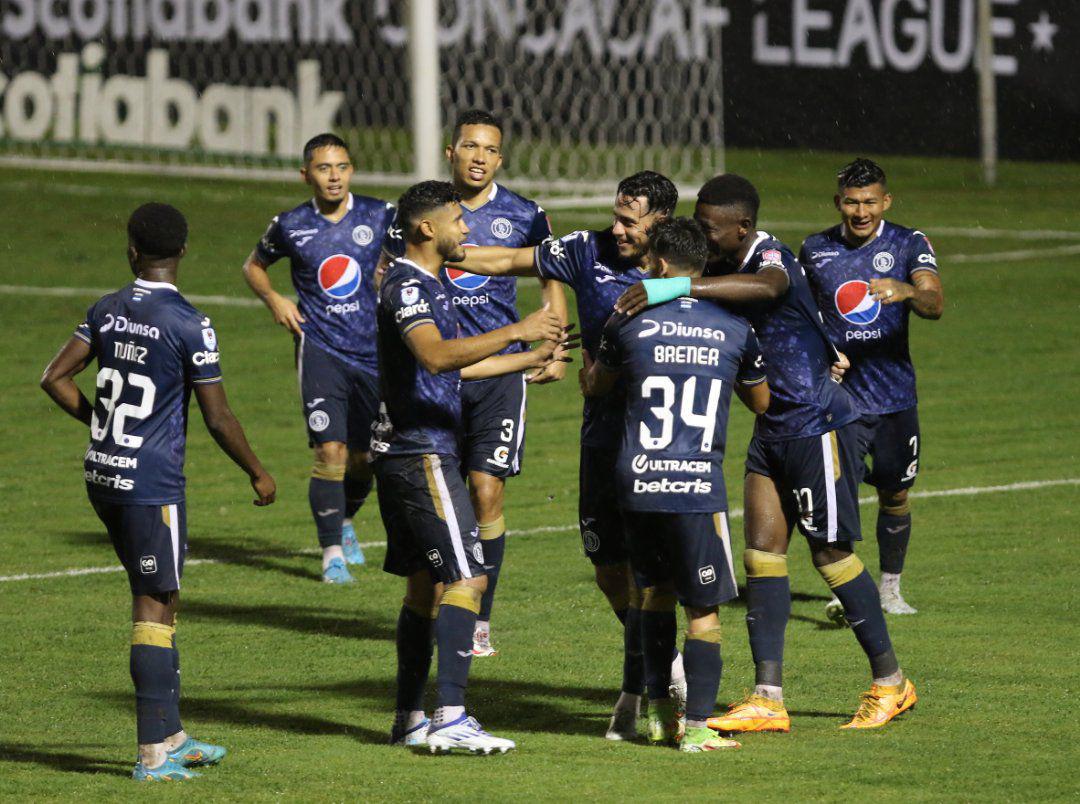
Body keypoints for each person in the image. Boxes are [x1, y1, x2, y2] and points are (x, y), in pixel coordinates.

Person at [617, 175, 917, 731]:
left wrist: (680, 289)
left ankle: (891, 683)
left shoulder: (769, 255)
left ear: (742, 228)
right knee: (762, 554)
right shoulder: (721, 268)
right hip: (772, 426)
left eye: (710, 230)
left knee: (830, 555)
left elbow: (771, 288)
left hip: (816, 423)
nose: (703, 242)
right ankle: (768, 697)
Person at [40, 203, 276, 781]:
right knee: (152, 607)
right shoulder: (189, 323)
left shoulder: (105, 308)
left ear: (131, 250)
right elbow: (218, 418)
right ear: (185, 251)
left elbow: (53, 377)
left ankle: (172, 735)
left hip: (104, 473)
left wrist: (101, 424)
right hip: (151, 486)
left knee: (163, 599)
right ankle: (152, 756)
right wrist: (257, 471)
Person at [455, 171, 687, 741]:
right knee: (609, 572)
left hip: (660, 443)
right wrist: (447, 251)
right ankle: (663, 659)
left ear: (660, 221)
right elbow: (513, 260)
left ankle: (645, 686)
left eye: (630, 220)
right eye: (616, 214)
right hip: (601, 437)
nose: (618, 227)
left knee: (645, 576)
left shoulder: (686, 268)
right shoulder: (587, 250)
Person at [374, 181, 572, 754]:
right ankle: (452, 715)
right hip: (421, 451)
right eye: (458, 221)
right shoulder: (410, 285)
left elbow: (449, 372)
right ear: (428, 230)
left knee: (420, 588)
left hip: (406, 449)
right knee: (466, 578)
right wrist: (517, 329)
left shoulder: (428, 284)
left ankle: (409, 718)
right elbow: (436, 356)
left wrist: (525, 358)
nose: (468, 230)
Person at [582, 217, 770, 753]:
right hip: (694, 485)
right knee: (704, 612)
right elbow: (760, 402)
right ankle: (699, 729)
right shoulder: (734, 328)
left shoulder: (627, 322)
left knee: (653, 596)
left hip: (636, 480)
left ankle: (661, 716)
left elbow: (599, 386)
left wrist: (586, 373)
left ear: (661, 265)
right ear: (701, 266)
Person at [242, 133, 400, 583]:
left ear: (351, 170)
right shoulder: (290, 225)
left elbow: (409, 257)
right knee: (330, 450)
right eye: (324, 168)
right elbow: (253, 266)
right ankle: (331, 552)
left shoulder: (380, 214)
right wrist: (275, 299)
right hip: (321, 350)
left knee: (366, 456)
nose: (334, 177)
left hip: (374, 353)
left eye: (342, 167)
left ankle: (346, 519)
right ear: (306, 174)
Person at [441, 109, 568, 656]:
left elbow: (550, 277)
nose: (479, 157)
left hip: (501, 373)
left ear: (500, 159)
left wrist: (556, 347)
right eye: (470, 146)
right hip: (439, 373)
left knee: (485, 490)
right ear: (451, 152)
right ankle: (442, 601)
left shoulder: (524, 214)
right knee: (441, 498)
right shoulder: (424, 211)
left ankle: (479, 618)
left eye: (489, 150)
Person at [800, 158, 944, 617]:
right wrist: (819, 360)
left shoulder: (908, 243)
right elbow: (800, 316)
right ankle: (848, 588)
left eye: (869, 202)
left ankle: (889, 590)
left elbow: (935, 302)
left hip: (894, 395)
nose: (860, 212)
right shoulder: (815, 249)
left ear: (886, 201)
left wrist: (908, 291)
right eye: (851, 202)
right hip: (839, 400)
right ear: (837, 201)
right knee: (837, 496)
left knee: (896, 494)